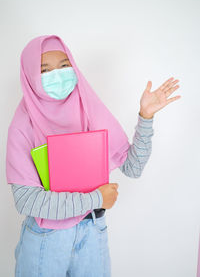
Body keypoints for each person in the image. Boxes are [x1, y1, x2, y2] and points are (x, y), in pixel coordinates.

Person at [6, 34, 181, 277]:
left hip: (92, 231)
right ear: (30, 76)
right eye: (45, 70)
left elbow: (133, 168)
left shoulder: (89, 109)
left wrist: (146, 117)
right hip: (47, 239)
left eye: (64, 65)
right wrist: (94, 199)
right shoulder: (22, 125)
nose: (57, 74)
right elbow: (27, 201)